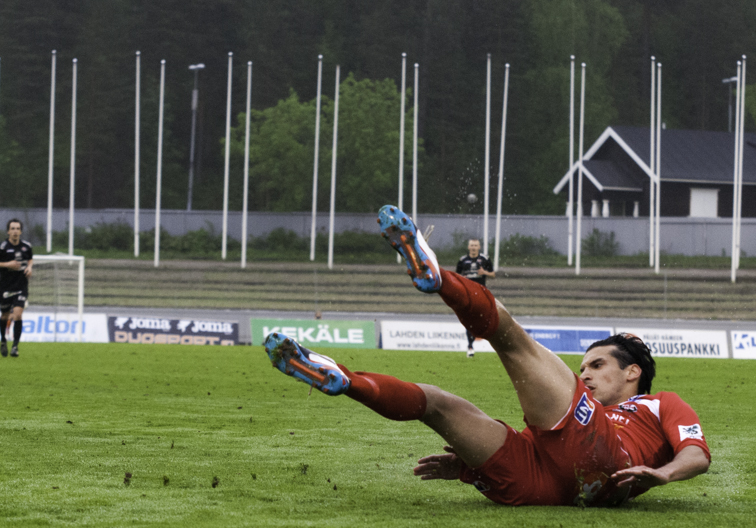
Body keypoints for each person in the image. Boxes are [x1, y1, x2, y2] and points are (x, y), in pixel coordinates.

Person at [265, 205, 710, 507]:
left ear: (633, 372)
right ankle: (344, 380)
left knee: (513, 339)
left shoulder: (658, 403)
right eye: (583, 368)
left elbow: (697, 454)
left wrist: (664, 475)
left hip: (602, 458)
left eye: (597, 365)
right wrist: (468, 468)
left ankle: (438, 278)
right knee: (436, 403)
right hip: (542, 478)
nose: (585, 374)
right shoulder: (585, 405)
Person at [0, 218, 33, 357]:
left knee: (18, 314)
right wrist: (7, 264)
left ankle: (15, 347)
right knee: (5, 315)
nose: (15, 231)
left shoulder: (26, 246)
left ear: (21, 231)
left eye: (17, 229)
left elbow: (30, 259)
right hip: (5, 287)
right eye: (12, 228)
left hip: (21, 286)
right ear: (8, 231)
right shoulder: (0, 247)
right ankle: (3, 340)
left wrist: (30, 267)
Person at [455, 238, 495, 357]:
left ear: (479, 247)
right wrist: (462, 278)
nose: (473, 247)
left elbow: (493, 274)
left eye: (475, 245)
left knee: (482, 319)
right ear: (468, 247)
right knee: (469, 320)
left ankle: (489, 343)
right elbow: (456, 276)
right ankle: (470, 346)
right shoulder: (463, 260)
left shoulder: (484, 259)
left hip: (481, 293)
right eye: (471, 245)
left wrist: (485, 273)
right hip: (467, 294)